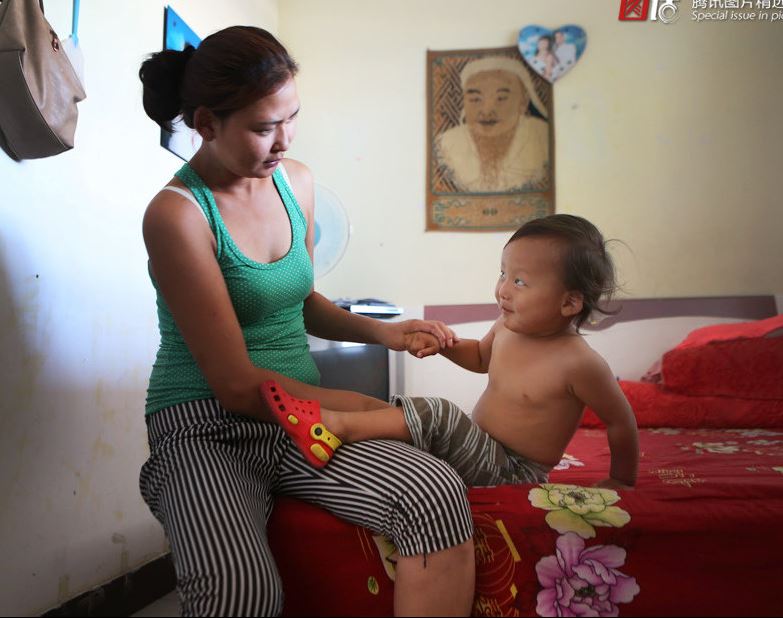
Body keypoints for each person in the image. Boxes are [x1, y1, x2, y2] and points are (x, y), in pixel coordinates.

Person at [137, 26, 475, 617]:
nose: (283, 140)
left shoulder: (296, 182)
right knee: (240, 595)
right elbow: (237, 384)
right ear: (206, 123)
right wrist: (362, 408)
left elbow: (302, 299)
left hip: (300, 415)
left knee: (434, 493)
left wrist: (384, 332)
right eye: (264, 128)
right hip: (206, 425)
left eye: (291, 117)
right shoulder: (178, 216)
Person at [263, 214, 639, 490]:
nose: (503, 289)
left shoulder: (580, 364)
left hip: (514, 472)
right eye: (503, 273)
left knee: (440, 414)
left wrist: (621, 478)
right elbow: (479, 359)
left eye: (521, 281)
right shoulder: (507, 328)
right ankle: (319, 419)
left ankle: (334, 426)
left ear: (569, 303)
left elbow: (622, 421)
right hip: (481, 447)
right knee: (398, 411)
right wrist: (445, 346)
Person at [435, 56, 550, 193]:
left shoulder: (542, 137)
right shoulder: (446, 144)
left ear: (523, 102)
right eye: (475, 99)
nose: (487, 111)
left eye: (501, 98)